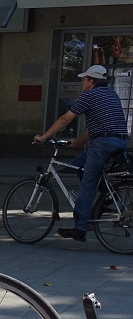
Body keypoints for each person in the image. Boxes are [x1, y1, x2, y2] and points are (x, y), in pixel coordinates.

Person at [35, 63, 130, 242]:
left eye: (84, 80)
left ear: (91, 81)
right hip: (120, 141)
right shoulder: (111, 94)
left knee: (88, 184)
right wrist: (78, 142)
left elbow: (65, 119)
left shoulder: (89, 96)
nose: (83, 83)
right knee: (81, 165)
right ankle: (108, 200)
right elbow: (94, 127)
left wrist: (44, 137)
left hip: (102, 143)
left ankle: (80, 228)